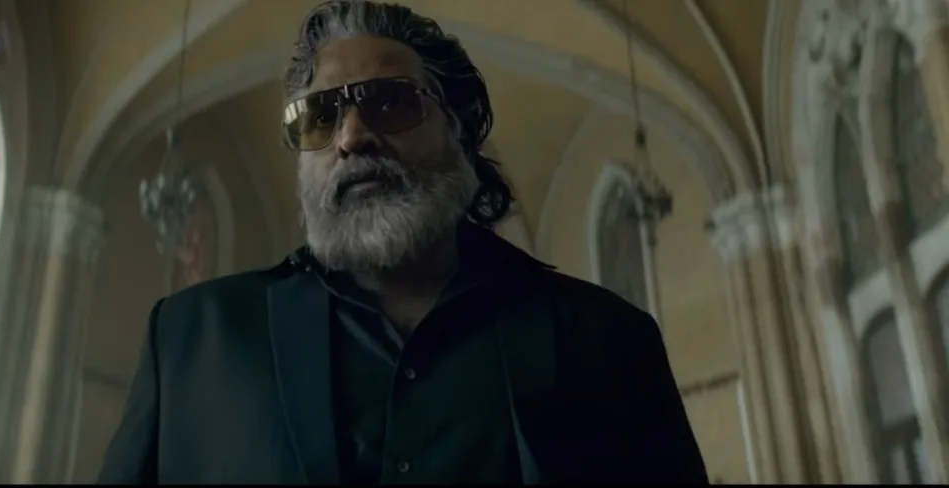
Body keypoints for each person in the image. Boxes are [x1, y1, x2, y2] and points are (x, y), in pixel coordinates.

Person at [97, 0, 708, 484]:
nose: (352, 136)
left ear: (459, 133)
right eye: (320, 116)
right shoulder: (188, 343)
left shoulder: (608, 342)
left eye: (390, 102)